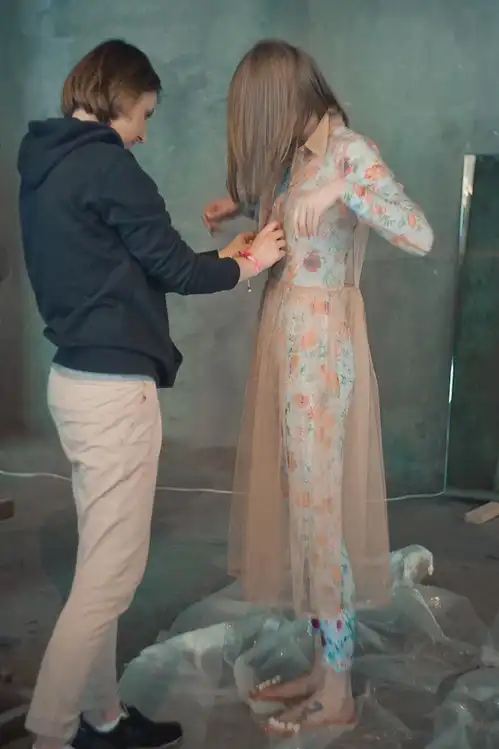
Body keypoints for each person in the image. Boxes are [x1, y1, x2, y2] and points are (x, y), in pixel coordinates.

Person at [17, 39, 286, 749]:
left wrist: (225, 257)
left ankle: (102, 718)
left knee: (97, 566)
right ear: (116, 100)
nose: (142, 131)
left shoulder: (44, 160)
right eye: (143, 114)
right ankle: (51, 734)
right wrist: (251, 261)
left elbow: (127, 265)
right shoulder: (110, 165)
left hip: (73, 381)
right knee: (109, 581)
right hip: (113, 394)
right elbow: (176, 271)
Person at [203, 39, 434, 736]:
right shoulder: (299, 157)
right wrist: (244, 207)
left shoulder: (347, 153)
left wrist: (343, 189)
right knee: (304, 513)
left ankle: (337, 688)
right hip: (287, 341)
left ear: (283, 102)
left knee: (320, 514)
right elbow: (298, 224)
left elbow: (418, 233)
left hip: (319, 353)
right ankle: (322, 663)